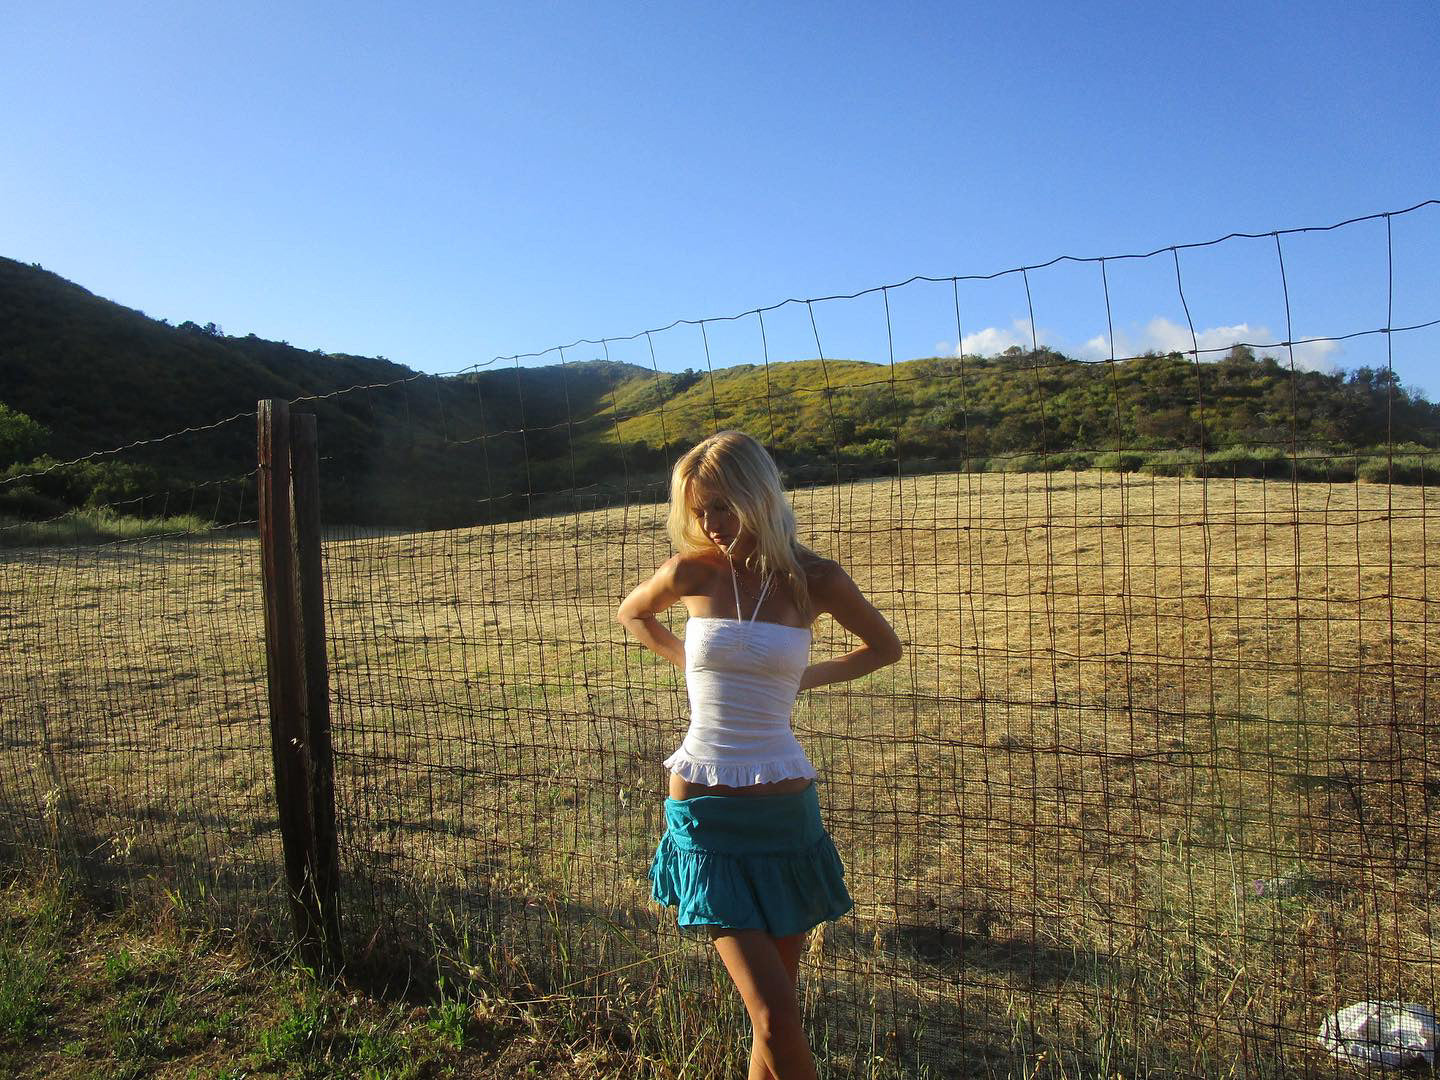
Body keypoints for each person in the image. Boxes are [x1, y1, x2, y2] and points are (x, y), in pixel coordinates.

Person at [617, 431, 902, 1080]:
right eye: (700, 511)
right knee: (775, 1017)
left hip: (785, 819)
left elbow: (886, 648)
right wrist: (687, 661)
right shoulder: (690, 572)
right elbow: (633, 614)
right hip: (706, 816)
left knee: (775, 1018)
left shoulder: (817, 580)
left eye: (723, 506)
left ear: (759, 495)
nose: (711, 525)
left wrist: (804, 678)